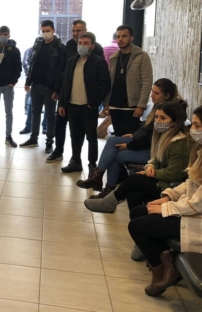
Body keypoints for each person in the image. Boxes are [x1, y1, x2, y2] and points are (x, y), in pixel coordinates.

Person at [128, 106, 202, 297]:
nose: (192, 130)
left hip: (196, 220)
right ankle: (167, 265)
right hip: (190, 211)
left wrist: (166, 208)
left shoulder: (184, 145)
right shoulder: (199, 151)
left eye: (197, 125)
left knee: (137, 225)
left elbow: (197, 204)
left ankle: (162, 269)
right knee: (138, 211)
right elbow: (189, 183)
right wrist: (167, 197)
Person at [78, 79, 183, 198]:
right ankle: (100, 180)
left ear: (167, 96)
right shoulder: (158, 107)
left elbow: (151, 139)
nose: (152, 95)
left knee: (116, 155)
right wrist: (134, 135)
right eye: (152, 91)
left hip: (154, 151)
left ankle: (104, 185)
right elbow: (147, 129)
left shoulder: (170, 113)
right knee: (112, 141)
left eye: (156, 93)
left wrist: (129, 145)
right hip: (148, 144)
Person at [84, 101, 191, 215]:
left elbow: (174, 174)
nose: (158, 121)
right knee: (133, 194)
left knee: (133, 180)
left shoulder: (179, 143)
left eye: (163, 118)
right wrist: (150, 166)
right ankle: (137, 221)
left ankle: (108, 202)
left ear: (174, 122)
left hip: (170, 186)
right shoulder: (164, 135)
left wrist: (150, 173)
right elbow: (157, 158)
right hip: (161, 179)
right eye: (156, 117)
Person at [47, 19, 105, 163]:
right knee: (62, 125)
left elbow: (103, 81)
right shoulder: (69, 48)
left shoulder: (97, 51)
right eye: (73, 31)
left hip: (87, 100)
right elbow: (63, 72)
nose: (75, 33)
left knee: (86, 133)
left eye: (78, 31)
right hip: (68, 96)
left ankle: (87, 162)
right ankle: (61, 152)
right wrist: (58, 91)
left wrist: (97, 101)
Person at [57, 32, 110, 174]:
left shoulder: (99, 62)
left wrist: (95, 102)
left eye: (86, 43)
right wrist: (62, 104)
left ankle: (92, 164)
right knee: (74, 135)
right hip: (72, 105)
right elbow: (65, 84)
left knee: (91, 137)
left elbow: (105, 84)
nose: (82, 46)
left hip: (89, 107)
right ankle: (75, 161)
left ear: (92, 46)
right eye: (80, 43)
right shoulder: (71, 61)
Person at [20, 20, 66, 153]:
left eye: (48, 31)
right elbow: (33, 64)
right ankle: (33, 139)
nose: (45, 33)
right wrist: (28, 81)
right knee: (35, 112)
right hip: (36, 85)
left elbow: (61, 70)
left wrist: (57, 89)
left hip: (50, 88)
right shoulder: (38, 45)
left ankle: (49, 142)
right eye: (43, 31)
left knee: (50, 115)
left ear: (53, 31)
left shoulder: (60, 47)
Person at [103, 25, 153, 137]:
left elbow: (147, 82)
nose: (120, 39)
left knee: (130, 139)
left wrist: (141, 105)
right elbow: (109, 82)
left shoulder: (142, 56)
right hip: (115, 106)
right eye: (118, 36)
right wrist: (106, 103)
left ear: (131, 38)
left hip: (132, 106)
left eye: (124, 36)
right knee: (118, 138)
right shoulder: (113, 57)